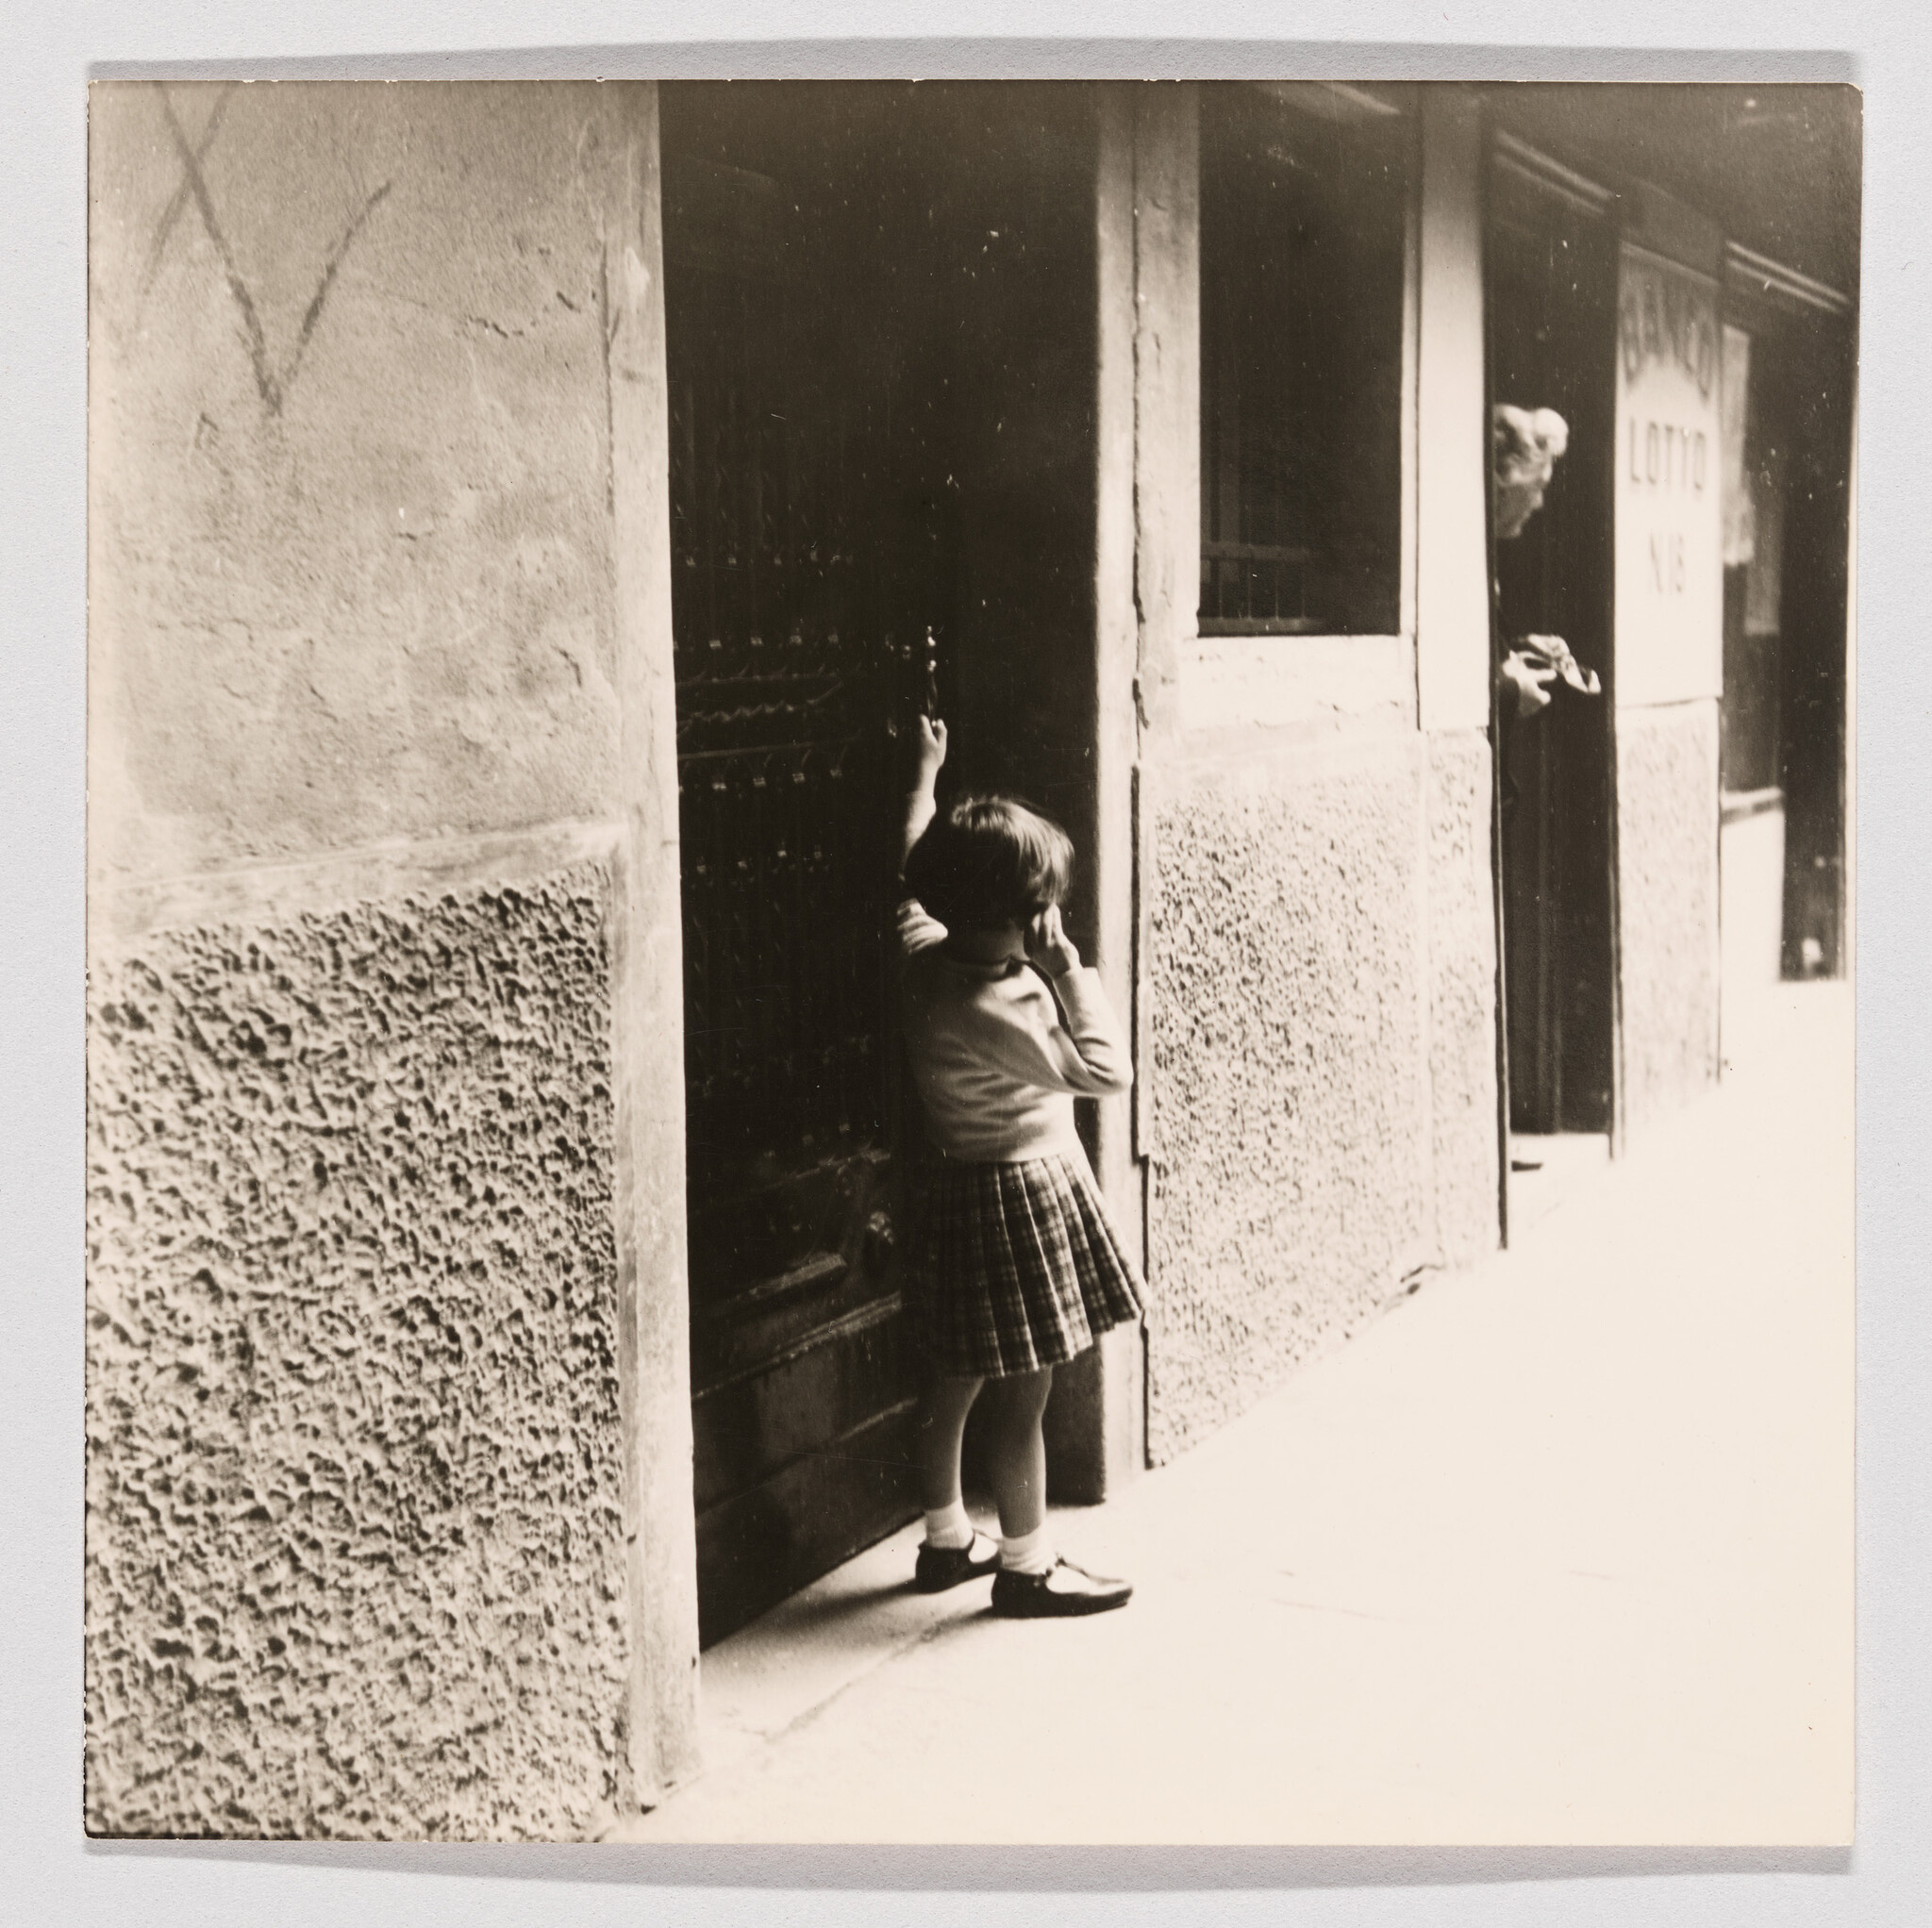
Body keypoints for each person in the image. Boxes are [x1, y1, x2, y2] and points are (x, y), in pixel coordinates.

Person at [894, 714, 1143, 1618]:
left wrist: (926, 775)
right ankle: (1027, 1564)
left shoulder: (922, 954)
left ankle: (943, 1537)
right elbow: (1105, 1072)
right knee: (1024, 1393)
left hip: (955, 1187)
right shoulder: (1009, 1002)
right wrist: (1070, 970)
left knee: (951, 1377)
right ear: (1027, 919)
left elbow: (913, 867)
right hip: (1019, 1194)